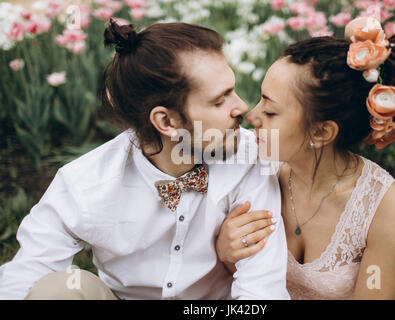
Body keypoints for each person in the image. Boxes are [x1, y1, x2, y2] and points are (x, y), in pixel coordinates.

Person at [0, 19, 289, 300]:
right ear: (166, 121)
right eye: (220, 100)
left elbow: (262, 288)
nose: (242, 107)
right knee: (59, 290)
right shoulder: (86, 181)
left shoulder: (251, 159)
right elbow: (26, 274)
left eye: (233, 90)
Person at [215, 17, 395, 300]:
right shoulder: (252, 169)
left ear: (321, 132)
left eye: (270, 112)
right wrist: (224, 251)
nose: (251, 115)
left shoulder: (384, 208)